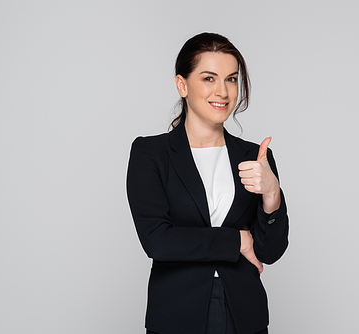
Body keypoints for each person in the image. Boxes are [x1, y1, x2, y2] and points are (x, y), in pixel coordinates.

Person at [126, 32, 289, 334]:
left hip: (245, 315)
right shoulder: (151, 153)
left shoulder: (256, 156)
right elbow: (157, 240)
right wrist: (236, 240)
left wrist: (272, 194)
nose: (223, 92)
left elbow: (270, 252)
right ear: (182, 85)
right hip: (176, 314)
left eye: (231, 79)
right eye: (209, 78)